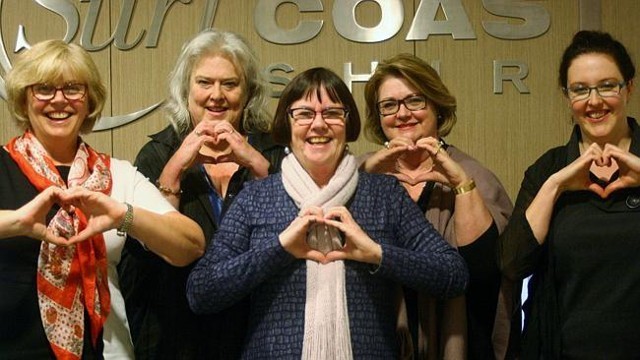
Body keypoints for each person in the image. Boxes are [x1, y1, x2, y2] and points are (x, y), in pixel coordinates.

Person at [186, 67, 469, 359]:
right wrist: (280, 248)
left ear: (349, 124)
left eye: (332, 113)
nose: (318, 125)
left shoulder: (383, 195)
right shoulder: (256, 197)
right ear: (287, 123)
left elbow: (453, 274)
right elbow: (202, 292)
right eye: (304, 113)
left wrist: (377, 254)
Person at [0, 40, 205, 359]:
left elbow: (191, 244)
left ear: (89, 100)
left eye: (72, 88)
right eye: (43, 88)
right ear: (23, 98)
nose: (59, 100)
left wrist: (124, 216)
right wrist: (16, 223)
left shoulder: (117, 174)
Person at [117, 29, 285, 359]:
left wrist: (254, 162)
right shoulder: (158, 154)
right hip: (174, 333)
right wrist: (176, 168)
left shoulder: (274, 152)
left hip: (260, 329)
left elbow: (289, 233)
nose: (216, 95)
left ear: (248, 91)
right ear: (186, 90)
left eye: (230, 84)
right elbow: (152, 249)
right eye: (204, 82)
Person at [361, 53, 514, 359]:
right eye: (389, 105)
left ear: (437, 107)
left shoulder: (475, 175)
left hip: (459, 340)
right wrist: (362, 181)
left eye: (415, 101)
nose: (402, 113)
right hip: (375, 340)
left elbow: (483, 270)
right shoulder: (359, 171)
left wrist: (461, 184)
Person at [499, 30, 639, 358]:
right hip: (562, 349)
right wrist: (556, 185)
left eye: (607, 85)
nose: (594, 101)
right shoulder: (548, 169)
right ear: (567, 96)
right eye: (580, 90)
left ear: (628, 87)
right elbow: (511, 263)